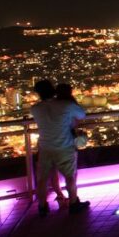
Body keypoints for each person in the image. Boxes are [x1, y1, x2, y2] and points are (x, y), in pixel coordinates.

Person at [30, 79, 89, 217]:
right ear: (53, 89)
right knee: (70, 176)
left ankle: (42, 206)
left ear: (38, 93)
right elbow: (82, 114)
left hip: (45, 147)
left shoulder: (35, 109)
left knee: (42, 179)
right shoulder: (66, 105)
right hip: (65, 146)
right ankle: (73, 204)